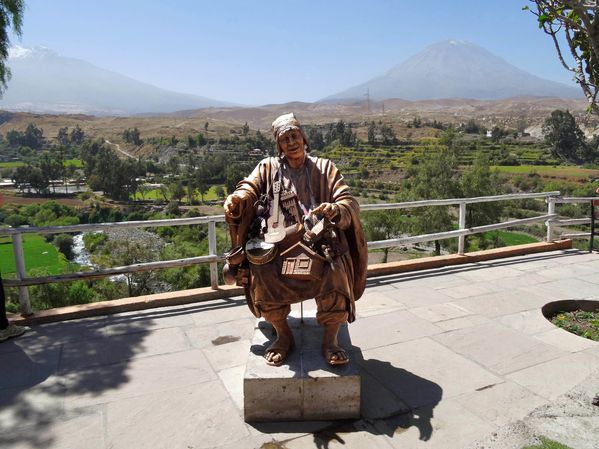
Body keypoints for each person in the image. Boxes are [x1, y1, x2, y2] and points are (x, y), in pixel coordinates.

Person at [224, 113, 367, 366]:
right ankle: (283, 334)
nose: (291, 142)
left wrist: (337, 210)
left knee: (334, 269)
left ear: (303, 137)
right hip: (279, 241)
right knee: (262, 269)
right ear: (278, 145)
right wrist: (238, 199)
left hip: (318, 238)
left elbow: (346, 199)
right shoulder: (268, 167)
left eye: (294, 136)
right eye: (284, 139)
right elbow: (249, 187)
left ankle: (331, 339)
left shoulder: (325, 168)